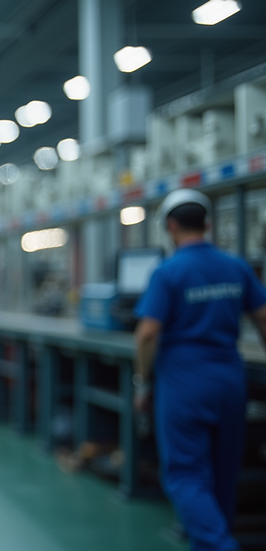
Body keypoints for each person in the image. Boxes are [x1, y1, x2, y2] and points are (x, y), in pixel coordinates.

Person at [134, 189, 266, 551]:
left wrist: (142, 383)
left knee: (187, 474)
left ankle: (220, 545)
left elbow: (147, 334)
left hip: (184, 384)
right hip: (229, 381)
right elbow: (263, 317)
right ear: (208, 224)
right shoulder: (236, 266)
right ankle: (212, 541)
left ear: (170, 226)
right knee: (224, 472)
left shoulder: (168, 271)